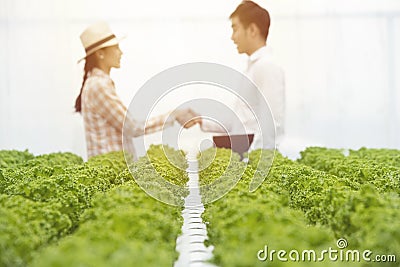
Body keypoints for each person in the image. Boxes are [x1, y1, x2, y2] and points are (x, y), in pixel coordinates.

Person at [75, 21, 196, 158]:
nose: (120, 52)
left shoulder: (96, 83)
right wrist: (173, 115)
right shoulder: (99, 86)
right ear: (100, 54)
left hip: (111, 170)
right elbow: (132, 127)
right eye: (116, 48)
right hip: (111, 174)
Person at [197, 1, 285, 149]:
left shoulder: (266, 67)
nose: (233, 37)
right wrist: (200, 120)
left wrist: (251, 162)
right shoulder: (252, 68)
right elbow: (239, 119)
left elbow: (272, 125)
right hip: (241, 153)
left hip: (251, 157)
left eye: (235, 29)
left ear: (252, 30)